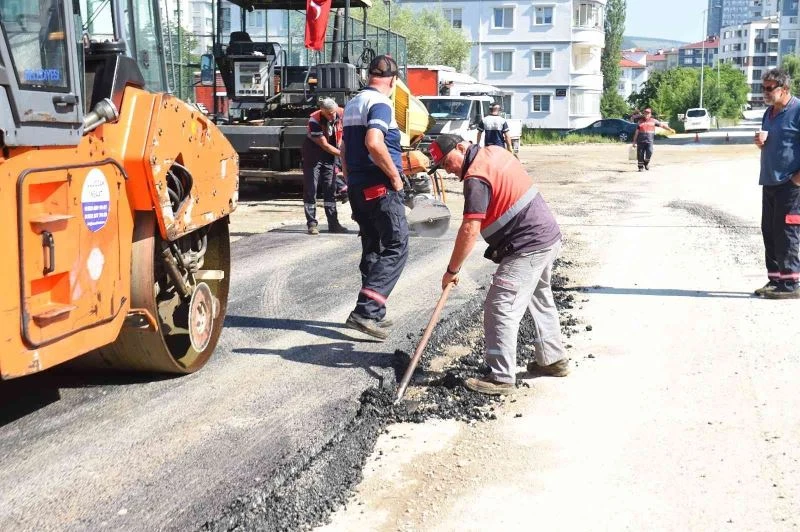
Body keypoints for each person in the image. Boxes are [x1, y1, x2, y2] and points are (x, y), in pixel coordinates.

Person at [430, 134, 569, 395]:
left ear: (461, 147)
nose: (447, 170)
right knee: (539, 297)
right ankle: (553, 359)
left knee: (500, 305)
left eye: (447, 162)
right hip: (546, 236)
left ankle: (501, 378)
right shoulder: (494, 151)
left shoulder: (475, 177)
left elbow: (470, 228)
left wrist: (452, 270)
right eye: (441, 167)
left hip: (527, 245)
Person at [340, 55, 409, 339]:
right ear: (393, 80)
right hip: (380, 187)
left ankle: (373, 313)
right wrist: (395, 177)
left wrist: (349, 180)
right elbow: (374, 142)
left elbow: (344, 150)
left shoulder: (353, 103)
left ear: (368, 76)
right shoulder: (381, 103)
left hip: (358, 187)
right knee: (397, 245)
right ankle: (366, 311)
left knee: (373, 246)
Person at [754, 68, 800, 299]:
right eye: (763, 88)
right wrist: (761, 144)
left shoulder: (798, 110)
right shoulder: (769, 113)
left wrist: (796, 180)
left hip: (791, 185)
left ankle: (791, 284)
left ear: (785, 89)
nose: (765, 92)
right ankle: (775, 279)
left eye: (770, 88)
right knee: (770, 232)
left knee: (787, 232)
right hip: (770, 181)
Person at [302, 98, 348, 235]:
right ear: (321, 111)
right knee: (311, 189)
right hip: (313, 155)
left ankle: (333, 224)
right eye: (328, 114)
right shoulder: (314, 120)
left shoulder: (342, 114)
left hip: (330, 156)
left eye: (333, 113)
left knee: (330, 188)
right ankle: (312, 224)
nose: (332, 116)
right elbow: (324, 145)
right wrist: (344, 155)